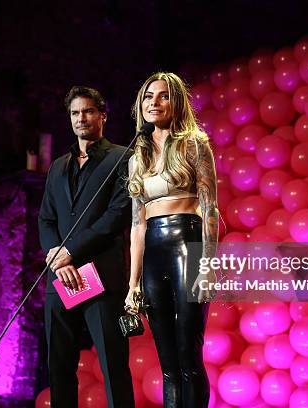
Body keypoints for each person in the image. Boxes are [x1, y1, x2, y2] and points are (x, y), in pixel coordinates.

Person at [125, 72, 218, 407]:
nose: (155, 103)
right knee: (167, 363)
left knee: (187, 354)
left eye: (163, 96)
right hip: (154, 249)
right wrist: (133, 283)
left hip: (187, 242)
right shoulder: (139, 156)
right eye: (149, 97)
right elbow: (137, 225)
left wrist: (207, 264)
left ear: (176, 102)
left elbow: (210, 207)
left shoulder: (194, 144)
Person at [38, 86, 134, 408]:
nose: (82, 118)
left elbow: (117, 215)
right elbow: (46, 221)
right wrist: (57, 258)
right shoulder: (58, 167)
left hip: (103, 277)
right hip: (61, 277)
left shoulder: (122, 157)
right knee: (59, 367)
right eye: (75, 113)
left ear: (102, 116)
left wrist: (71, 252)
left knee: (113, 365)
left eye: (88, 111)